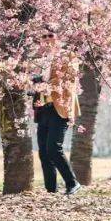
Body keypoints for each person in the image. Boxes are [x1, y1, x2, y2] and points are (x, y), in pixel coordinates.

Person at [33, 56, 82, 195]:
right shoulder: (39, 58)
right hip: (43, 109)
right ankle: (51, 190)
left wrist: (45, 83)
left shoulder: (69, 56)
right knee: (44, 152)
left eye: (50, 35)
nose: (47, 39)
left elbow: (69, 80)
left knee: (53, 147)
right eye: (44, 36)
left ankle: (73, 183)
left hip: (60, 109)